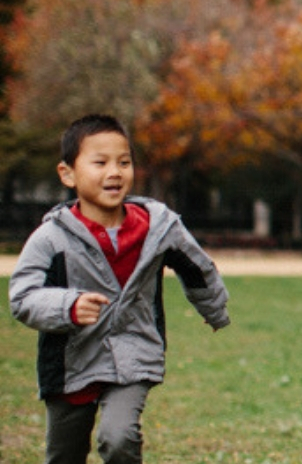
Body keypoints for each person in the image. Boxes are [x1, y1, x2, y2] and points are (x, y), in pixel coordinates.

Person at [9, 114, 231, 464]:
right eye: (100, 162)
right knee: (63, 456)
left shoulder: (158, 228)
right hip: (70, 361)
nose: (115, 172)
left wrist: (215, 310)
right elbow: (22, 297)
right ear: (68, 174)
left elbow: (198, 269)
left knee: (118, 438)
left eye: (124, 162)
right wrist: (67, 305)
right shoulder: (51, 237)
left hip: (133, 349)